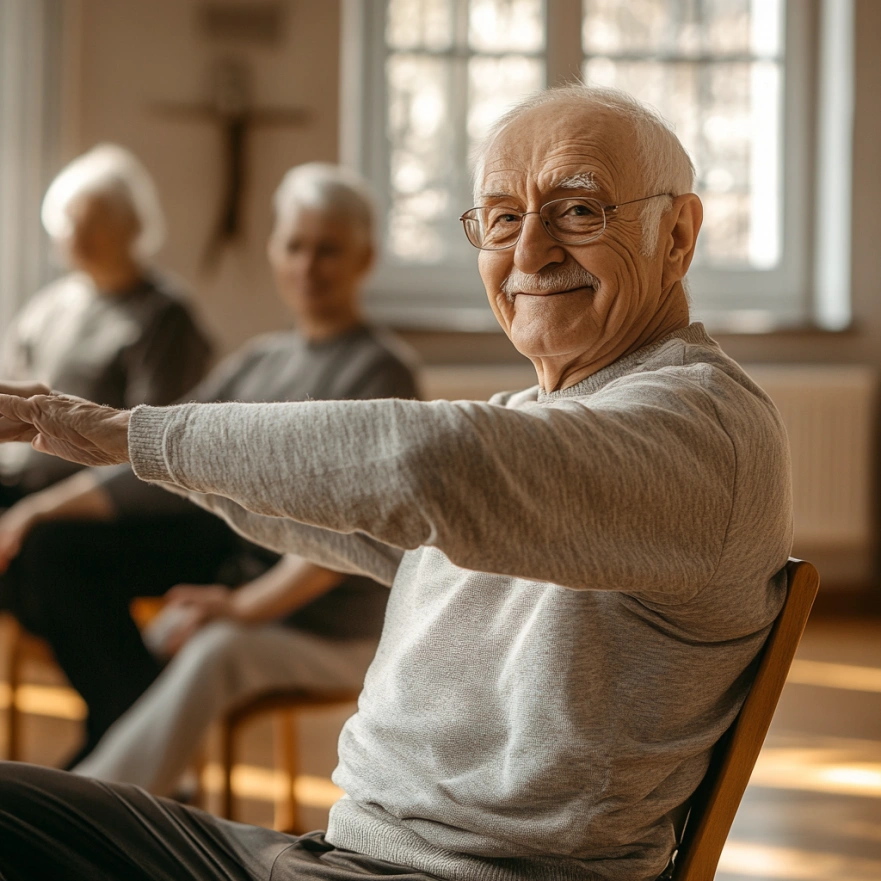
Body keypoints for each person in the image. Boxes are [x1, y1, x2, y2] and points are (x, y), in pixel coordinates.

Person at [0, 86, 792, 881]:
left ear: (676, 235)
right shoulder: (535, 414)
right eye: (502, 217)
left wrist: (128, 434)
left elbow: (425, 464)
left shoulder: (703, 425)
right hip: (331, 853)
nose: (529, 253)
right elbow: (361, 525)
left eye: (578, 211)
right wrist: (121, 451)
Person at [0, 162, 418, 771]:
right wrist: (40, 508)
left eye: (328, 250)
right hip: (244, 577)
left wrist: (241, 607)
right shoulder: (262, 360)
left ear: (365, 258)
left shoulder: (382, 370)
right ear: (274, 252)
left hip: (322, 620)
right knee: (122, 632)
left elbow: (350, 535)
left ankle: (88, 802)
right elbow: (156, 443)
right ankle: (99, 787)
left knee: (204, 647)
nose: (308, 266)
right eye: (295, 246)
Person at [0, 143, 211, 505]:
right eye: (69, 222)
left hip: (89, 504)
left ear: (131, 226)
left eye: (95, 223)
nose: (78, 235)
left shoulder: (164, 316)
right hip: (21, 482)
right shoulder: (49, 306)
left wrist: (40, 510)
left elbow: (154, 443)